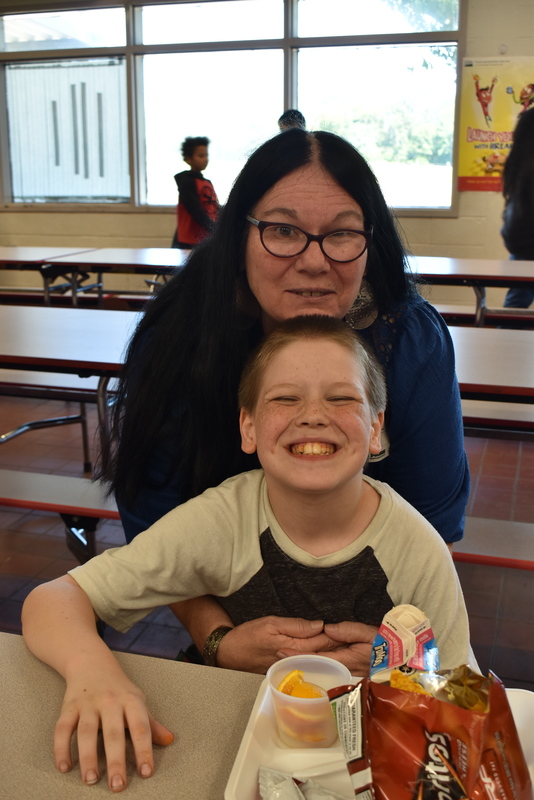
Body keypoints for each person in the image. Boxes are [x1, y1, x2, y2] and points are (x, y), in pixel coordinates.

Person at [22, 315, 473, 793]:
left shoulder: (415, 547)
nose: (313, 415)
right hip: (229, 738)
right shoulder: (223, 519)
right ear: (249, 427)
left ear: (376, 427)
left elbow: (460, 697)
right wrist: (93, 673)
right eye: (285, 399)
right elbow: (53, 599)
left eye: (341, 398)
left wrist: (395, 676)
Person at [99, 127, 470, 673]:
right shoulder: (181, 338)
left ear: (370, 241)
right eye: (282, 230)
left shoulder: (408, 341)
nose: (314, 261)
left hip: (376, 648)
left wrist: (396, 647)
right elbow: (154, 521)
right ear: (240, 235)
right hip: (234, 640)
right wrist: (219, 640)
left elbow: (433, 524)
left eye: (342, 234)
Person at [501, 106, 534, 310]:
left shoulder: (519, 159)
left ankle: (506, 326)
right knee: (518, 299)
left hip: (518, 239)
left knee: (517, 299)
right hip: (527, 242)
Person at [171, 135, 218, 249]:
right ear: (188, 159)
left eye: (206, 155)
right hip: (189, 240)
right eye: (201, 156)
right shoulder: (187, 182)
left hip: (206, 237)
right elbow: (194, 209)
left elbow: (214, 207)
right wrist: (213, 227)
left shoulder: (206, 182)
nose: (205, 159)